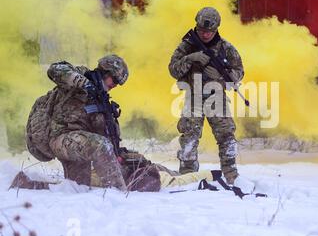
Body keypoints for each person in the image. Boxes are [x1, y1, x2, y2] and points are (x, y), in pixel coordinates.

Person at [12, 55, 220, 192]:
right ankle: (118, 197)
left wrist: (124, 158)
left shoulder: (105, 104)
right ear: (105, 72)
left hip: (80, 146)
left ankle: (29, 185)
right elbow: (56, 69)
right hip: (60, 138)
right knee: (100, 147)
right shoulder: (81, 77)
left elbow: (109, 142)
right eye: (113, 81)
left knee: (77, 188)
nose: (114, 87)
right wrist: (83, 83)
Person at [169, 7, 246, 186]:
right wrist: (191, 58)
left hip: (216, 97)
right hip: (194, 96)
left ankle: (231, 175)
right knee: (189, 136)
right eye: (202, 31)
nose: (205, 35)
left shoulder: (226, 48)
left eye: (209, 32)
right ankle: (188, 176)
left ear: (216, 29)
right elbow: (173, 69)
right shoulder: (187, 45)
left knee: (226, 135)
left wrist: (220, 75)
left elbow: (239, 71)